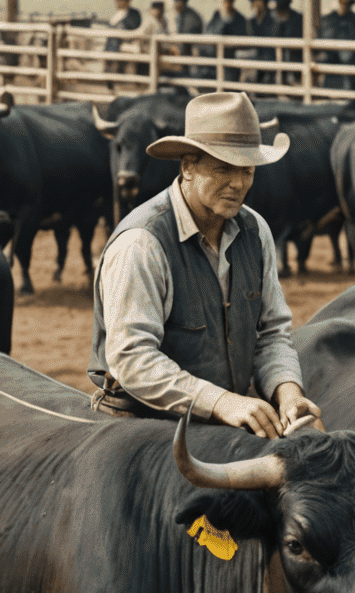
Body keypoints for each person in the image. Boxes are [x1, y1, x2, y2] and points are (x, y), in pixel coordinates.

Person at [89, 90, 321, 437]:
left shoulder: (255, 231)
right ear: (187, 167)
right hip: (140, 431)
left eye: (247, 170)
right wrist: (224, 402)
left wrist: (287, 392)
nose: (239, 183)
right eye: (223, 168)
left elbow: (271, 333)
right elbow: (132, 359)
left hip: (223, 424)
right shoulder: (142, 242)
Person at [319, 0, 355, 92]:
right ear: (339, 3)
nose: (346, 6)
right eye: (344, 3)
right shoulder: (329, 19)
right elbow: (324, 36)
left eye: (349, 4)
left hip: (351, 56)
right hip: (332, 55)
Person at [202, 0, 247, 85]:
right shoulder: (216, 15)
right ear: (222, 2)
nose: (228, 4)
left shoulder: (239, 18)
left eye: (230, 1)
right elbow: (210, 31)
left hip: (232, 56)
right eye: (226, 1)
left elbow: (243, 36)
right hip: (216, 54)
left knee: (231, 81)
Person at [243, 0, 277, 88]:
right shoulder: (252, 22)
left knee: (268, 83)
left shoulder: (272, 20)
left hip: (269, 56)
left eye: (259, 2)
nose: (256, 5)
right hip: (257, 55)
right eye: (255, 2)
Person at [171, 0, 202, 78]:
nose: (177, 3)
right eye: (176, 0)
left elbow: (189, 35)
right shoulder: (179, 15)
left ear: (185, 2)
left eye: (180, 0)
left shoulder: (192, 16)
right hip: (181, 50)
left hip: (191, 49)